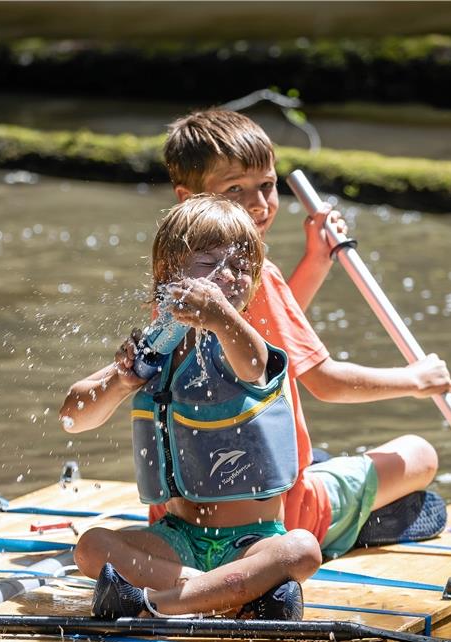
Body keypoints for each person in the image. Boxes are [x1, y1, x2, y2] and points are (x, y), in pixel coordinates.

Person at [157, 109, 451, 559]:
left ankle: (339, 494)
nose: (259, 204)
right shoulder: (255, 276)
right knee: (420, 454)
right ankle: (347, 521)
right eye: (235, 188)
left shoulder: (175, 275)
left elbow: (270, 341)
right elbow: (324, 382)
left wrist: (317, 259)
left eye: (266, 185)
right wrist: (416, 379)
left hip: (176, 512)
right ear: (188, 196)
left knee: (315, 456)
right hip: (283, 516)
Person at [61, 194, 322, 619]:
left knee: (302, 550)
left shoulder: (240, 341)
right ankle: (220, 593)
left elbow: (254, 364)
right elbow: (73, 416)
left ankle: (155, 602)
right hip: (177, 540)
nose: (229, 275)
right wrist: (122, 380)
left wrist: (220, 316)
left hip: (251, 541)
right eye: (209, 263)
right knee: (91, 546)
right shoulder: (153, 351)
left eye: (241, 267)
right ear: (169, 274)